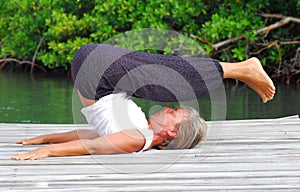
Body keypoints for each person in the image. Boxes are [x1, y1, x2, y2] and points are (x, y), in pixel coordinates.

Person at [12, 44, 275, 160]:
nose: (169, 109)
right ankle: (238, 69)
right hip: (97, 71)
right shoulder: (141, 131)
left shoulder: (139, 138)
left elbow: (92, 144)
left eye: (174, 113)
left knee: (169, 80)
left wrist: (47, 151)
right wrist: (44, 137)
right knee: (163, 73)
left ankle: (239, 69)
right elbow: (93, 133)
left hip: (97, 72)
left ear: (171, 132)